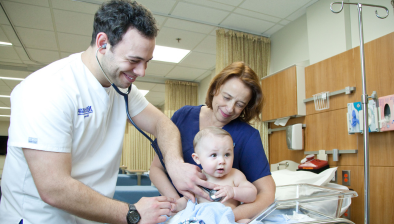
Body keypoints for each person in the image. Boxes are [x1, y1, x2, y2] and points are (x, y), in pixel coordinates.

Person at [0, 1, 215, 224]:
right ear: (103, 43)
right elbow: (54, 188)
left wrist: (175, 165)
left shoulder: (121, 88)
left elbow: (163, 124)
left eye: (146, 62)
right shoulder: (47, 89)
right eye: (134, 60)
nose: (141, 71)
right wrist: (133, 213)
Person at [150, 61, 276, 221]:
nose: (230, 108)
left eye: (240, 104)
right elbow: (156, 169)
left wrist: (222, 216)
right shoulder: (183, 116)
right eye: (227, 97)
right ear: (215, 88)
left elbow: (267, 193)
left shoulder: (247, 136)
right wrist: (183, 208)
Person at [171, 126, 257, 224]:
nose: (222, 161)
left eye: (227, 154)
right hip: (202, 219)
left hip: (227, 219)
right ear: (197, 158)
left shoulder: (235, 175)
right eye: (214, 155)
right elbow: (188, 199)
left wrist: (233, 192)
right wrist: (176, 206)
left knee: (248, 222)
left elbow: (252, 195)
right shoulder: (198, 178)